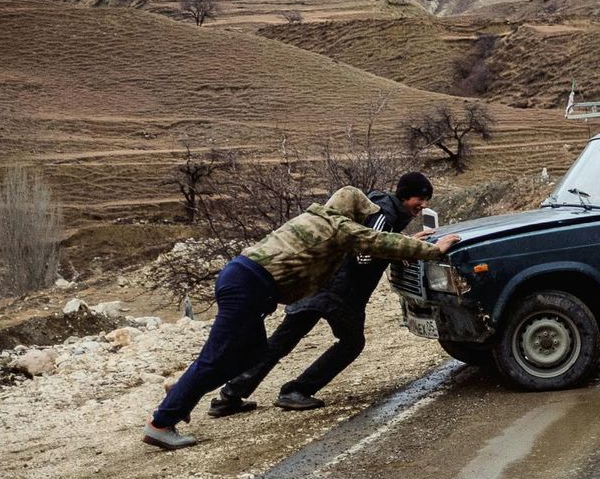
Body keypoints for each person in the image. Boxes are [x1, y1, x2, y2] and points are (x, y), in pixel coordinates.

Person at [144, 187, 455, 450]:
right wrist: (433, 249)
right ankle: (161, 424)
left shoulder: (312, 217)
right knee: (215, 359)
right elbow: (378, 242)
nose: (363, 220)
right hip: (248, 286)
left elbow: (377, 242)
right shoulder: (339, 226)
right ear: (352, 212)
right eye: (361, 215)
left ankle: (183, 390)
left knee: (251, 354)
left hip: (242, 279)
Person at [207, 172, 435, 416]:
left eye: (426, 200)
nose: (423, 205)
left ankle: (229, 396)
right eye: (420, 198)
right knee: (351, 343)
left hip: (318, 281)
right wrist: (404, 249)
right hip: (341, 291)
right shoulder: (385, 213)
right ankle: (297, 391)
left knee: (282, 340)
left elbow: (374, 241)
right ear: (405, 194)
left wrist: (403, 242)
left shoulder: (380, 206)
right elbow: (363, 255)